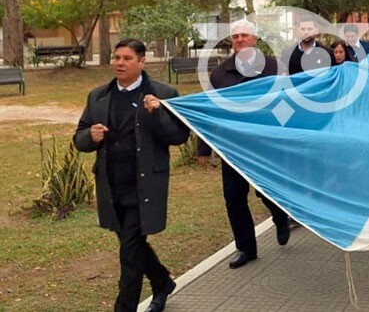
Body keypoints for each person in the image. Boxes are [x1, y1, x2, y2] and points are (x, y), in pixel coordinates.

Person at [74, 38, 189, 312]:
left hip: (145, 188)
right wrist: (89, 136)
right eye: (116, 58)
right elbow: (79, 138)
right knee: (132, 245)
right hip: (112, 188)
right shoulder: (98, 96)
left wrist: (158, 113)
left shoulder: (162, 93)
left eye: (126, 58)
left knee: (129, 254)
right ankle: (161, 281)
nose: (119, 63)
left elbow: (179, 137)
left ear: (141, 62)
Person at [197, 19, 292, 270]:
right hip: (233, 146)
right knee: (234, 197)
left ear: (255, 40)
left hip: (266, 143)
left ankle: (280, 217)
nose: (239, 40)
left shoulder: (274, 68)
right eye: (235, 36)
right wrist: (203, 149)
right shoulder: (220, 73)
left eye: (244, 36)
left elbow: (289, 103)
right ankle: (246, 248)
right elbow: (209, 110)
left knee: (267, 190)